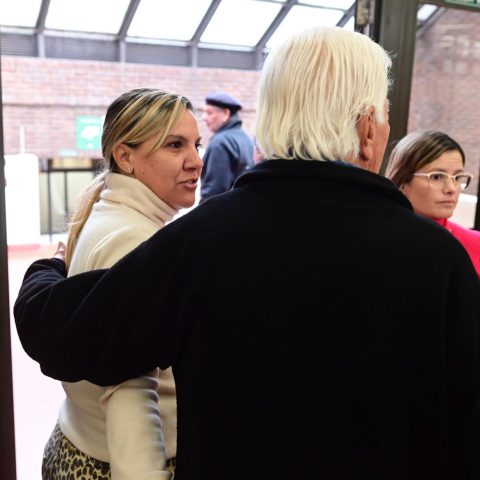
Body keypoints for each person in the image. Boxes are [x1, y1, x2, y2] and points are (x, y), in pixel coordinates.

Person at [14, 26, 480, 480]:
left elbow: (66, 337)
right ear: (367, 130)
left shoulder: (201, 242)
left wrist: (48, 270)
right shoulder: (441, 262)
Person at [36, 88, 203, 479]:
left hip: (79, 442)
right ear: (125, 157)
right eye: (175, 145)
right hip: (113, 464)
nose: (196, 161)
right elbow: (130, 390)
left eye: (197, 145)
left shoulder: (107, 212)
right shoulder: (135, 241)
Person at [385, 130, 480, 275]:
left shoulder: (475, 244)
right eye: (436, 177)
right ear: (402, 182)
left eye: (457, 177)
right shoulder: (377, 239)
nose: (451, 189)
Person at [200, 91, 254, 202]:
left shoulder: (221, 142)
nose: (203, 117)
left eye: (209, 113)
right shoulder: (246, 139)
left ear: (225, 114)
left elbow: (213, 193)